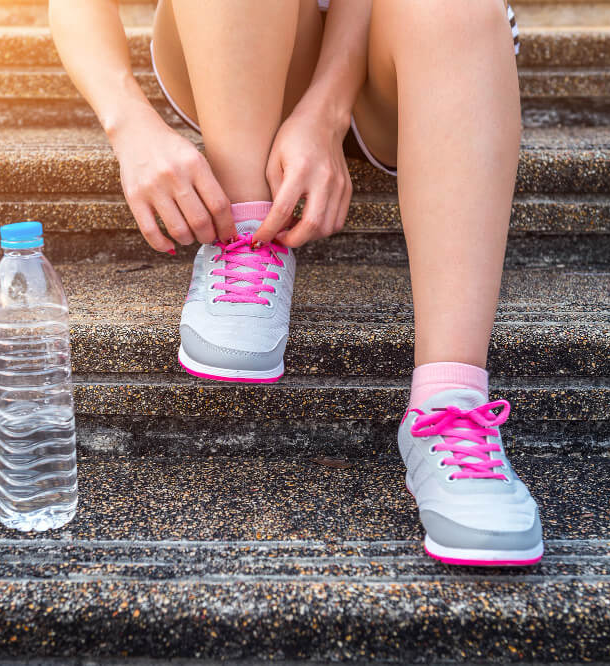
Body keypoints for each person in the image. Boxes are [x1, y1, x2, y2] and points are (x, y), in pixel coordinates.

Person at [49, 0, 542, 566]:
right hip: (238, 45)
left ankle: (451, 404)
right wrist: (130, 125)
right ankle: (247, 225)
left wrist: (327, 111)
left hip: (410, 57)